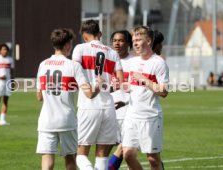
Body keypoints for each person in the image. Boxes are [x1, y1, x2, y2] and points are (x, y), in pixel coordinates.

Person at [36, 28, 104, 170]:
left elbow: (39, 96)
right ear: (67, 45)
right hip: (66, 120)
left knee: (47, 161)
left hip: (46, 120)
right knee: (70, 160)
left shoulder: (43, 64)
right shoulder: (73, 65)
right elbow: (89, 94)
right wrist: (98, 85)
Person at [72, 20, 124, 170]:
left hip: (88, 106)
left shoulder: (80, 48)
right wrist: (105, 86)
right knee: (102, 156)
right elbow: (119, 82)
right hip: (108, 106)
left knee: (81, 154)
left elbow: (75, 72)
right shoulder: (112, 53)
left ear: (84, 34)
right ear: (99, 34)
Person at [122, 26, 169, 170]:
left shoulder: (159, 63)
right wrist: (122, 89)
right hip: (132, 116)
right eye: (134, 40)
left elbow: (164, 91)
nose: (134, 43)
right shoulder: (132, 62)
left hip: (150, 117)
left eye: (138, 40)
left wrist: (145, 80)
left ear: (148, 41)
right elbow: (132, 87)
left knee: (153, 160)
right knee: (128, 155)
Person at [107, 30, 133, 170]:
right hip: (108, 112)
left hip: (127, 112)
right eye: (115, 40)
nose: (117, 43)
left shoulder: (133, 62)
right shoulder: (107, 60)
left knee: (126, 151)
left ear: (128, 43)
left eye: (121, 40)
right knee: (103, 151)